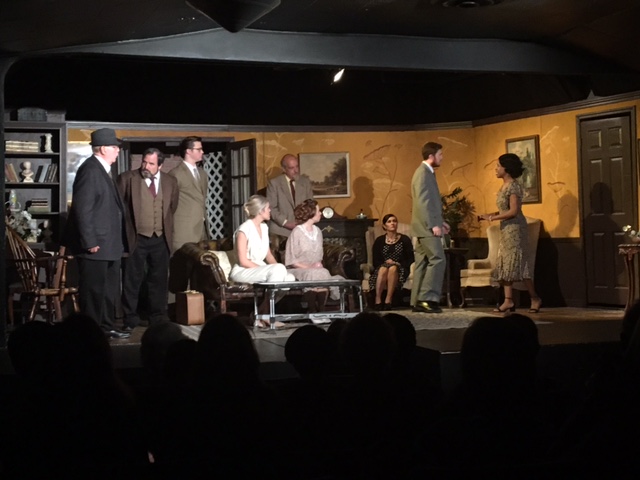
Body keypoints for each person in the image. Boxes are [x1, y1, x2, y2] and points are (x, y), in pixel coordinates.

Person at [63, 128, 130, 339]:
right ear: (102, 149)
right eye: (114, 147)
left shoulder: (103, 170)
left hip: (109, 244)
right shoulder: (90, 170)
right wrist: (89, 241)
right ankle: (91, 332)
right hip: (97, 245)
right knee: (93, 291)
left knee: (109, 290)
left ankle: (107, 326)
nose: (117, 151)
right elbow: (83, 209)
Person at [116, 148, 179, 332]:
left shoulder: (170, 181)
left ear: (160, 165)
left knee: (158, 279)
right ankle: (130, 316)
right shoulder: (127, 179)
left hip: (160, 238)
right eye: (144, 162)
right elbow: (118, 208)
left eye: (151, 163)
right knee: (132, 279)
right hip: (136, 237)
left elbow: (172, 207)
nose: (146, 166)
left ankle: (157, 316)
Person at [478, 153, 542, 313]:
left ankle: (534, 298)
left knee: (519, 264)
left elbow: (513, 211)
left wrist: (493, 218)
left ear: (506, 169)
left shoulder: (514, 186)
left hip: (515, 229)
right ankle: (508, 301)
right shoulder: (503, 187)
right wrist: (489, 215)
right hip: (506, 229)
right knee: (506, 263)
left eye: (498, 166)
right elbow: (504, 210)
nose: (496, 169)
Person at [229, 195, 295, 326]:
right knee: (278, 270)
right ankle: (266, 316)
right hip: (244, 270)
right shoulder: (243, 230)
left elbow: (268, 255)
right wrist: (272, 269)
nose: (270, 210)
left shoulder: (264, 228)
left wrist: (281, 270)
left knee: (289, 278)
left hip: (261, 269)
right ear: (260, 210)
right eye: (268, 208)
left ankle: (260, 313)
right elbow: (243, 261)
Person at [410, 141, 449, 314]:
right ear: (431, 156)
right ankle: (427, 298)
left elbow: (431, 203)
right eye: (440, 154)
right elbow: (423, 202)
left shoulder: (426, 173)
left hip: (424, 225)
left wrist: (441, 221)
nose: (442, 157)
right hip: (426, 226)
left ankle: (417, 300)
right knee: (438, 259)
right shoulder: (423, 173)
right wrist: (433, 224)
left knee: (423, 262)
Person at [285, 198, 343, 312]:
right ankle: (312, 310)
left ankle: (321, 310)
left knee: (322, 272)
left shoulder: (318, 231)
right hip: (299, 270)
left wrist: (317, 266)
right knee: (313, 273)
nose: (320, 213)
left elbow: (319, 258)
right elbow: (291, 261)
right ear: (310, 213)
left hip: (316, 269)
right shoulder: (297, 232)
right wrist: (309, 267)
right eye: (318, 211)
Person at [169, 136, 208, 252]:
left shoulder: (202, 174)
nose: (202, 152)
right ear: (188, 151)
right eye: (198, 149)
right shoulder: (176, 174)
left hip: (201, 228)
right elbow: (169, 203)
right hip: (183, 229)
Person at [369, 213, 414, 310]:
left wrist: (397, 263)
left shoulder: (404, 239)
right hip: (382, 267)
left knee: (393, 269)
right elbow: (375, 259)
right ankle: (378, 299)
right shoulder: (379, 240)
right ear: (384, 226)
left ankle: (388, 300)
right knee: (383, 269)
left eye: (394, 221)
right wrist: (385, 263)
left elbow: (410, 258)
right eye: (389, 221)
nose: (392, 223)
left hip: (400, 268)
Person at [266, 153, 314, 239]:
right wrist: (286, 223)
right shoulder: (274, 183)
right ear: (284, 169)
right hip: (280, 231)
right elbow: (271, 208)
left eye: (297, 166)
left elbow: (310, 205)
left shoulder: (305, 182)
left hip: (302, 229)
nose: (296, 170)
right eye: (292, 168)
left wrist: (304, 223)